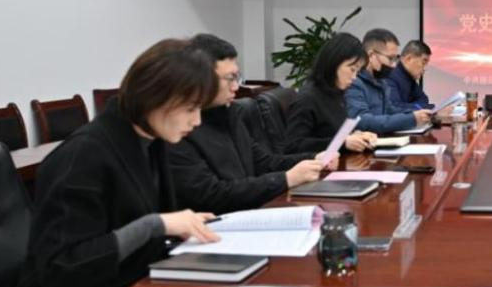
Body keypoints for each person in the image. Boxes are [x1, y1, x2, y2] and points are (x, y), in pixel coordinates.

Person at [17, 39, 293, 287]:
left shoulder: (147, 141)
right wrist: (155, 226)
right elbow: (64, 267)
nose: (197, 121)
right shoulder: (84, 156)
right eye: (190, 108)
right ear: (157, 97)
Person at [168, 34, 333, 214]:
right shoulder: (179, 130)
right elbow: (211, 195)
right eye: (229, 78)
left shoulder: (231, 114)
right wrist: (286, 179)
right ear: (201, 78)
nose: (236, 87)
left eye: (237, 77)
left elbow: (264, 163)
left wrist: (314, 158)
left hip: (249, 212)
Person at [285, 32, 378, 153]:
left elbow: (333, 132)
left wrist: (357, 135)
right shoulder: (308, 99)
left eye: (357, 71)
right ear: (334, 63)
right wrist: (342, 142)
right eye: (352, 69)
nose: (354, 77)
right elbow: (293, 146)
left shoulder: (336, 93)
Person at [346, 28, 435, 135]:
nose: (393, 65)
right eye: (390, 58)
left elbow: (390, 110)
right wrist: (412, 118)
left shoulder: (381, 82)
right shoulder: (354, 82)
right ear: (371, 55)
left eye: (395, 59)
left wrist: (419, 114)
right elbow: (362, 121)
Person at [387, 39, 433, 111]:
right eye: (423, 63)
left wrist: (412, 106)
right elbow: (395, 107)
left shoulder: (409, 76)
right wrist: (425, 108)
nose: (425, 69)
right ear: (408, 59)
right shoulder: (389, 74)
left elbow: (423, 99)